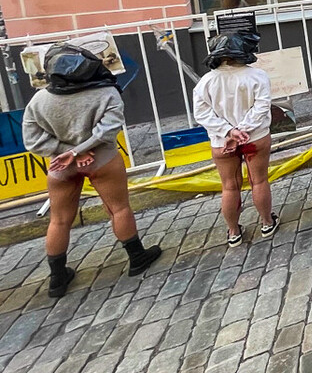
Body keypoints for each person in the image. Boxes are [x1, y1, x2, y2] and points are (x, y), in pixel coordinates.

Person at [23, 43, 163, 298]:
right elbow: (108, 130)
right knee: (118, 209)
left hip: (60, 165)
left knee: (59, 219)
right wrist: (80, 151)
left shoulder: (39, 100)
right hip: (102, 159)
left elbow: (32, 140)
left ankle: (57, 278)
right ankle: (137, 258)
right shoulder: (106, 92)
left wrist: (67, 152)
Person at [193, 30, 277, 247]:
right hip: (255, 137)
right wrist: (242, 130)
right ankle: (267, 222)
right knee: (259, 180)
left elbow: (201, 114)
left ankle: (233, 232)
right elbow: (261, 107)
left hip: (222, 142)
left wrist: (228, 132)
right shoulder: (257, 76)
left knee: (229, 187)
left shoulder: (206, 82)